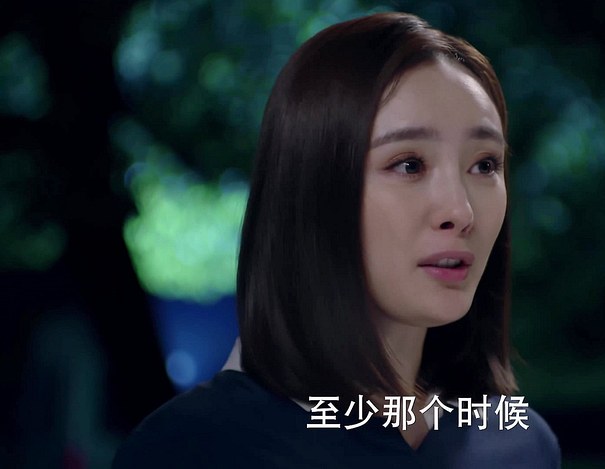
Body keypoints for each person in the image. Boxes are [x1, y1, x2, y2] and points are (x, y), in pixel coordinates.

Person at [112, 12, 560, 468]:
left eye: (485, 165)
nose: (460, 212)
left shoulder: (517, 446)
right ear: (310, 189)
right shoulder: (192, 449)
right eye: (409, 165)